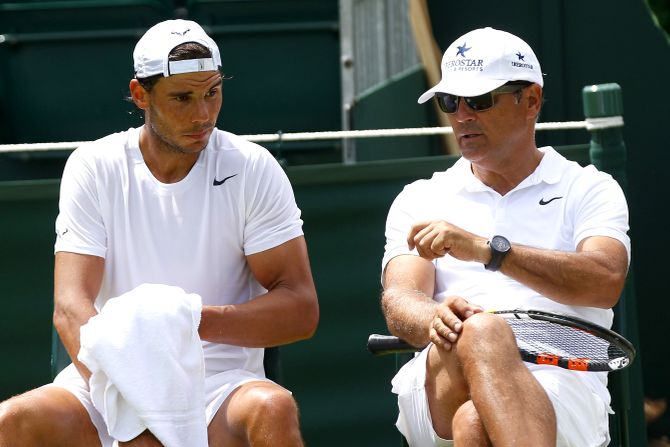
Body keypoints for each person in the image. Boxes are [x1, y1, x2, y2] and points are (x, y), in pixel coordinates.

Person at [0, 19, 318, 447]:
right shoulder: (94, 166)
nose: (203, 114)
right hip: (107, 381)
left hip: (219, 385)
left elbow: (300, 309)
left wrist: (184, 322)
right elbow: (70, 306)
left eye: (212, 92)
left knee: (273, 409)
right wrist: (133, 404)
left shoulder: (253, 167)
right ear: (140, 95)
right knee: (11, 420)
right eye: (183, 98)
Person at [380, 27, 630, 447]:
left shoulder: (590, 187)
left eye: (478, 100)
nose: (461, 115)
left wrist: (488, 251)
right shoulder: (419, 197)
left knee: (476, 425)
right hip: (443, 378)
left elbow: (605, 281)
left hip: (564, 380)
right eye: (449, 101)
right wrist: (434, 318)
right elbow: (400, 299)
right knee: (483, 332)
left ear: (530, 100)